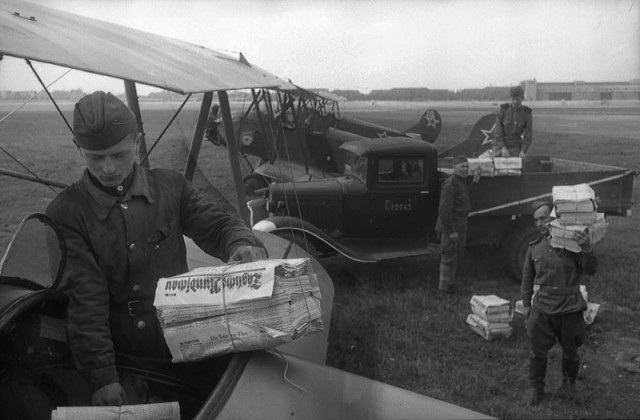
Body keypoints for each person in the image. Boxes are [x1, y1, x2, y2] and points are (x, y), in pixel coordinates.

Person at [46, 91, 268, 409]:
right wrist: (103, 377)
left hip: (188, 343)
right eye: (95, 157)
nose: (108, 168)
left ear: (137, 143)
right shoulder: (67, 213)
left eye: (119, 154)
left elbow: (218, 225)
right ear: (77, 148)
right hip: (123, 361)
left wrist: (242, 244)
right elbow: (86, 300)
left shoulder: (170, 188)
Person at [521, 201, 598, 406]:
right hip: (543, 307)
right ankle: (535, 387)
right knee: (537, 350)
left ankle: (569, 385)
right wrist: (527, 306)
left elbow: (590, 269)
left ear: (554, 218)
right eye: (536, 219)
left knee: (571, 350)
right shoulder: (534, 247)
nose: (539, 223)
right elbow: (527, 279)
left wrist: (587, 249)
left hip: (570, 307)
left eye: (543, 218)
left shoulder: (573, 244)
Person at [435, 156, 481, 294]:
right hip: (452, 224)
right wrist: (451, 230)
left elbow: (467, 196)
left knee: (455, 255)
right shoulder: (450, 184)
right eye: (462, 167)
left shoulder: (461, 182)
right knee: (448, 255)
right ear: (454, 168)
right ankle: (442, 290)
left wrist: (475, 181)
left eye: (467, 167)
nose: (466, 169)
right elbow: (444, 210)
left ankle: (451, 285)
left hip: (461, 223)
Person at [493, 85, 532, 158]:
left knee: (518, 164)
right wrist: (503, 147)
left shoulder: (526, 113)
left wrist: (523, 150)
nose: (515, 102)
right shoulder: (503, 109)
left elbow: (528, 134)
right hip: (500, 146)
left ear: (522, 98)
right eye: (513, 99)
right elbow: (498, 131)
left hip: (515, 146)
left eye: (517, 99)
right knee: (493, 163)